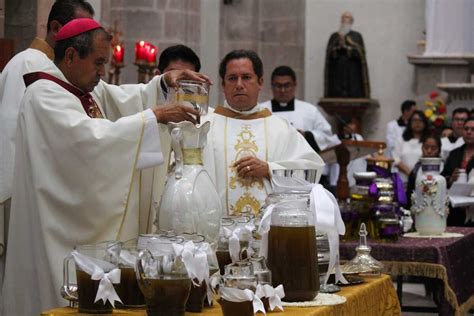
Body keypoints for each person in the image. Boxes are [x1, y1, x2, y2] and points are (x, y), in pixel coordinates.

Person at [1, 18, 209, 315]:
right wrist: (154, 117)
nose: (103, 73)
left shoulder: (83, 89)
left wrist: (163, 82)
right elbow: (89, 142)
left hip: (76, 235)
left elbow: (128, 99)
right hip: (55, 234)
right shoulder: (44, 94)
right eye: (98, 63)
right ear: (71, 56)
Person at [0, 0, 94, 299]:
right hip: (22, 194)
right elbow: (12, 141)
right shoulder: (30, 66)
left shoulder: (57, 68)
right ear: (56, 29)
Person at [202, 50, 324, 215]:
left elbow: (311, 173)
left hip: (269, 233)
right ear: (223, 85)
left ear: (260, 82)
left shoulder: (281, 129)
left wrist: (270, 170)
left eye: (246, 77)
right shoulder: (205, 127)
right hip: (218, 229)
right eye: (232, 78)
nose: (239, 84)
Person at [260, 65, 340, 152]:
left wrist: (306, 135)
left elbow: (326, 135)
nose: (282, 90)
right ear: (271, 86)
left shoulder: (310, 111)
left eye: (287, 85)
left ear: (295, 85)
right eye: (278, 86)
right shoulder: (261, 110)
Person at [324, 11, 370, 98]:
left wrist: (346, 48)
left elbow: (360, 54)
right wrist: (338, 48)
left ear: (351, 21)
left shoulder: (357, 36)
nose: (345, 19)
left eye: (347, 17)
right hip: (337, 71)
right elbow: (329, 54)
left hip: (352, 72)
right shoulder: (334, 36)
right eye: (343, 17)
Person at [441, 118, 474, 226]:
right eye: (466, 129)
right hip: (454, 208)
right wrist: (450, 179)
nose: (469, 132)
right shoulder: (454, 153)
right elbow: (442, 177)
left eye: (473, 129)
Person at [393, 110, 431, 183]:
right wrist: (411, 175)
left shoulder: (429, 141)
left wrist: (417, 177)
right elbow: (396, 159)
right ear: (410, 122)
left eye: (420, 120)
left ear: (425, 123)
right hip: (403, 181)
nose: (417, 123)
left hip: (424, 181)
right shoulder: (401, 140)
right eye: (415, 120)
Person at [406, 135, 442, 208]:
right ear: (422, 148)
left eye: (433, 148)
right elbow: (410, 192)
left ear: (439, 150)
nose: (429, 151)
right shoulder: (417, 167)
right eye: (426, 147)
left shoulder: (444, 168)